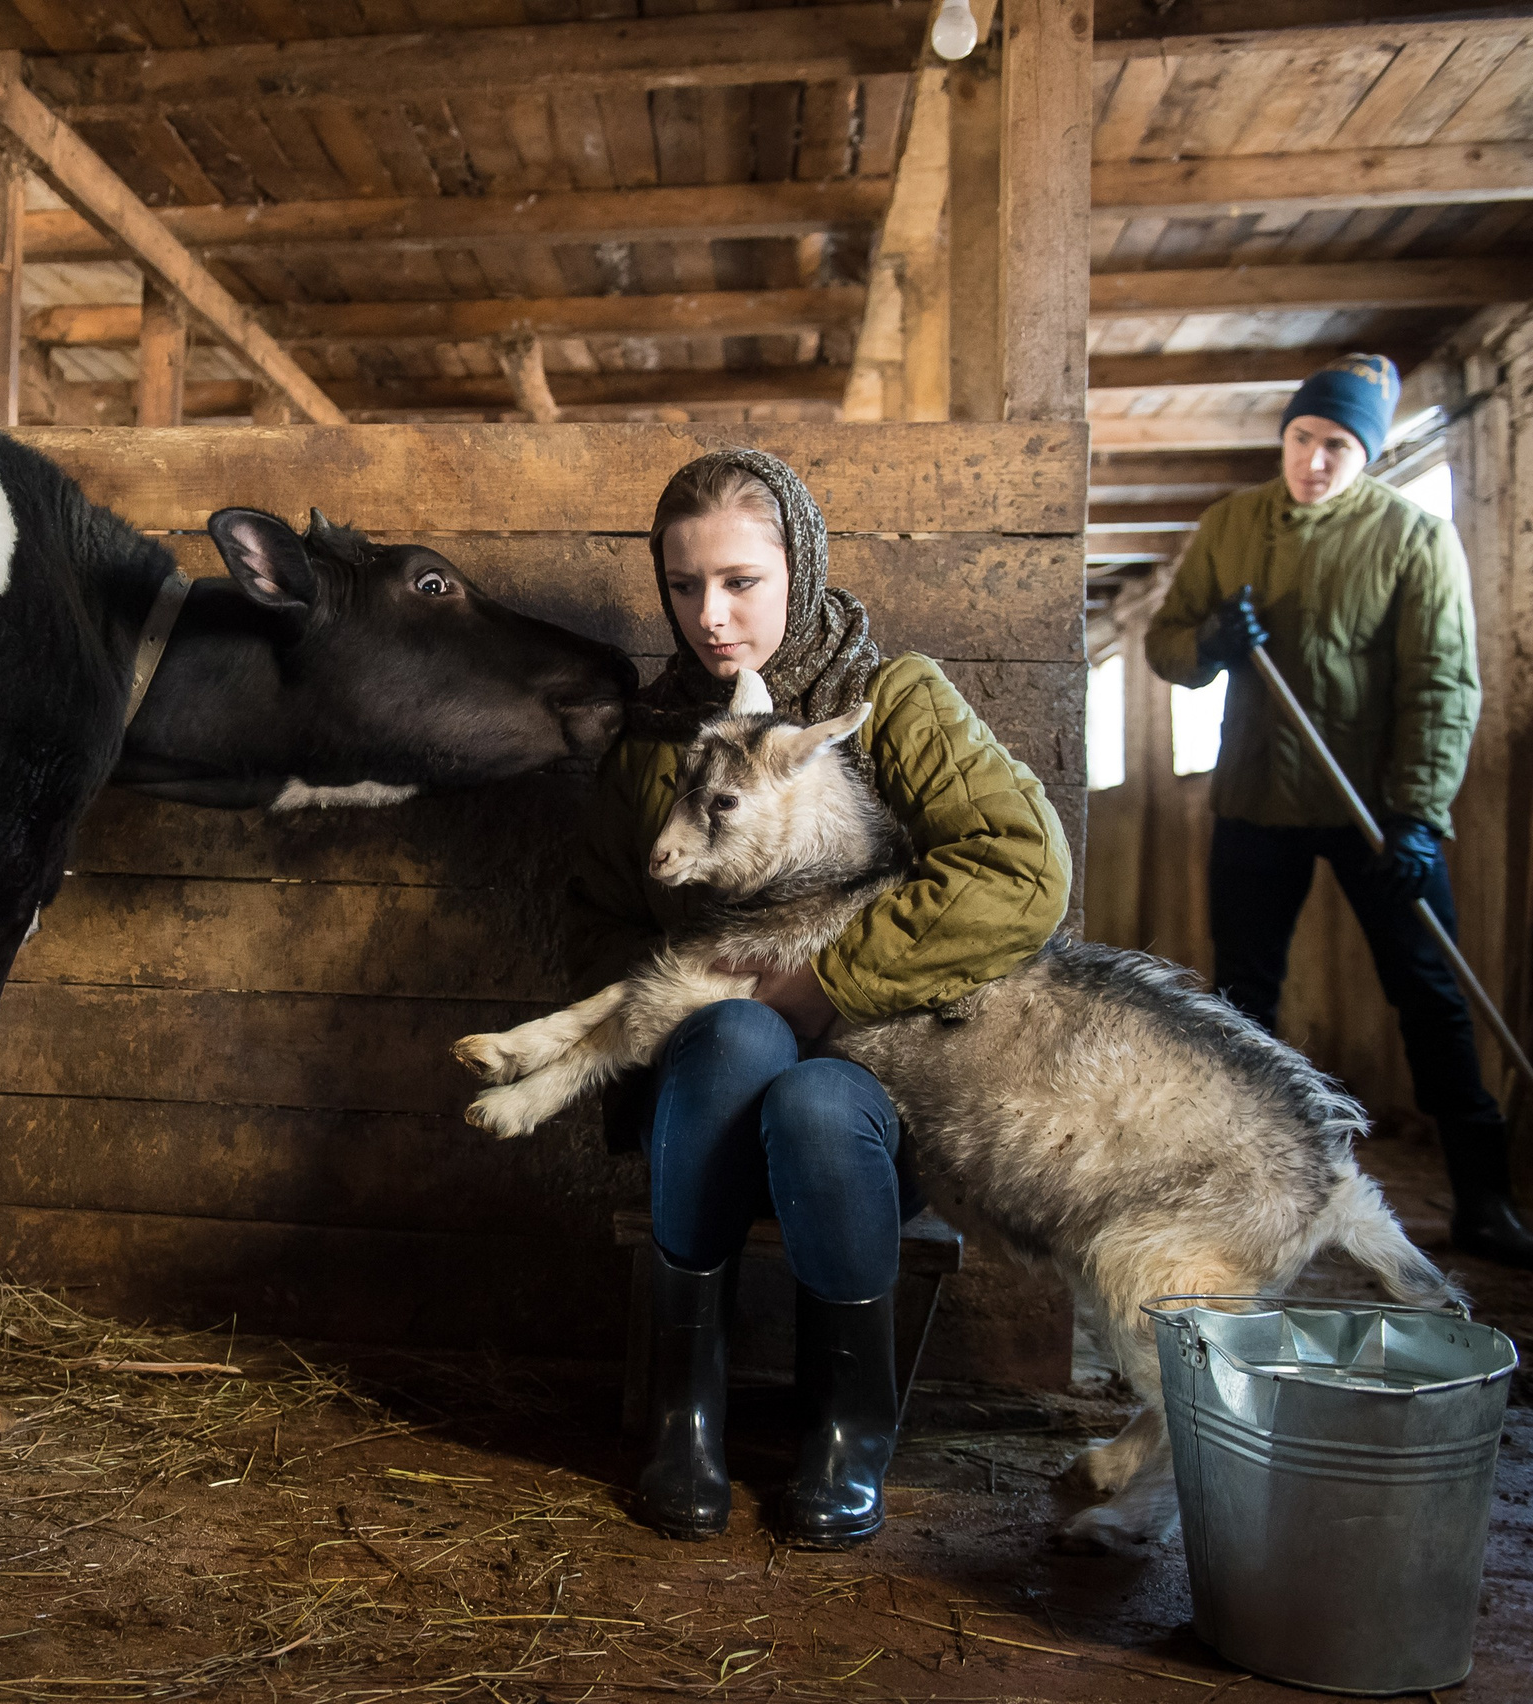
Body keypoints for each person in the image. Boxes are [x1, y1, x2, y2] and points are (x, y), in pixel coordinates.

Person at [567, 449, 1070, 1546]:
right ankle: (682, 1414)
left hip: (869, 1089)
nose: (710, 616)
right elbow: (596, 917)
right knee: (736, 1033)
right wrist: (677, 1002)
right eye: (683, 585)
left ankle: (846, 1429)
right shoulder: (650, 744)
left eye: (741, 581)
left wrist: (826, 983)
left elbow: (1020, 871)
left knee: (809, 1097)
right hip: (698, 1092)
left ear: (800, 567)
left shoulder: (890, 703)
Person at [1144, 354, 1533, 1270]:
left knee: (1430, 996)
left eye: (1338, 447)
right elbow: (1164, 646)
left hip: (1378, 816)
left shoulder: (1413, 540)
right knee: (1243, 999)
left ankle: (1484, 1198)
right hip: (1254, 801)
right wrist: (1211, 641)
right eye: (1303, 439)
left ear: (1369, 454)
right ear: (1286, 437)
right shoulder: (1229, 526)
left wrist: (1418, 814)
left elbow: (1442, 684)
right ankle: (1243, 1187)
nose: (1315, 461)